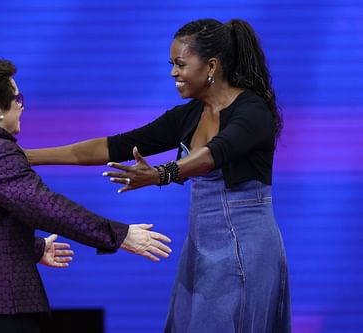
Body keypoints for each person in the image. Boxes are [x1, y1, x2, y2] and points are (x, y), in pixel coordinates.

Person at [24, 19, 291, 332]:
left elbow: (215, 154)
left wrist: (162, 174)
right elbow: (113, 146)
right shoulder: (189, 115)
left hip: (244, 247)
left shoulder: (253, 110)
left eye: (180, 64)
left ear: (211, 66)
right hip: (202, 247)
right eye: (172, 65)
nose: (173, 74)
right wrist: (26, 156)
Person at [0, 57, 172, 333]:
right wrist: (118, 234)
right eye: (17, 98)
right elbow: (47, 207)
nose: (22, 105)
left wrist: (34, 248)